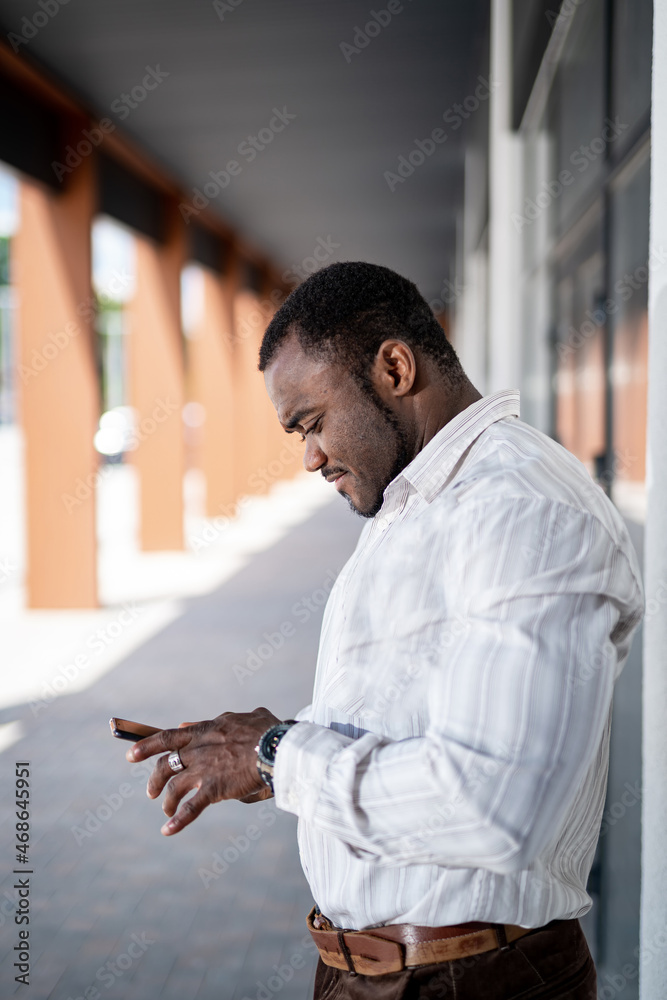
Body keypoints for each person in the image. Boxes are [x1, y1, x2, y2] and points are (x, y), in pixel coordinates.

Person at [128, 262, 644, 999]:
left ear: (394, 367)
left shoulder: (522, 512)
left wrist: (279, 756)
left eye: (310, 423)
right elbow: (412, 719)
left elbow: (494, 807)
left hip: (469, 980)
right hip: (373, 972)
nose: (308, 456)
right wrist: (264, 750)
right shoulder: (417, 502)